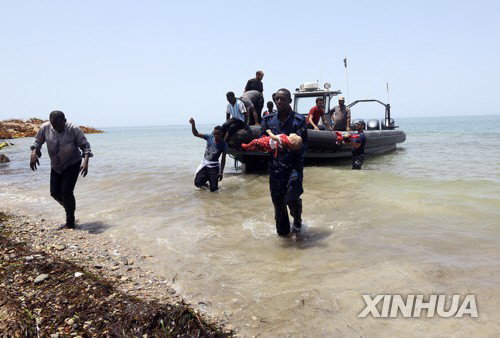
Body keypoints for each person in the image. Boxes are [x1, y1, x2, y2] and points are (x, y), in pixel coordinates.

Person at [29, 111, 92, 229]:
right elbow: (37, 142)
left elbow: (85, 146)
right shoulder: (45, 128)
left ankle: (70, 222)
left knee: (67, 192)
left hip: (72, 163)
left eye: (59, 125)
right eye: (54, 126)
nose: (57, 128)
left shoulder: (73, 129)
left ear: (65, 120)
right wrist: (33, 154)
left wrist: (85, 162)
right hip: (56, 165)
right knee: (54, 193)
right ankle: (69, 207)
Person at [260, 88, 308, 236]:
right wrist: (269, 143)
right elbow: (262, 140)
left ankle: (297, 219)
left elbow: (303, 144)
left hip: (293, 166)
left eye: (283, 99)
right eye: (277, 99)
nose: (279, 101)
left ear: (289, 101)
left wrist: (288, 143)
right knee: (278, 202)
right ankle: (284, 235)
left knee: (292, 196)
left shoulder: (299, 120)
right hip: (275, 169)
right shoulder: (268, 120)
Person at [190, 118, 227, 192]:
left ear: (222, 134)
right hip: (205, 165)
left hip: (214, 167)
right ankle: (207, 185)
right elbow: (196, 134)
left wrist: (221, 172)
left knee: (214, 190)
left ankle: (212, 183)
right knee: (198, 184)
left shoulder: (223, 144)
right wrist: (193, 124)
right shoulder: (209, 137)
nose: (216, 136)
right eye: (215, 134)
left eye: (218, 134)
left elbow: (223, 159)